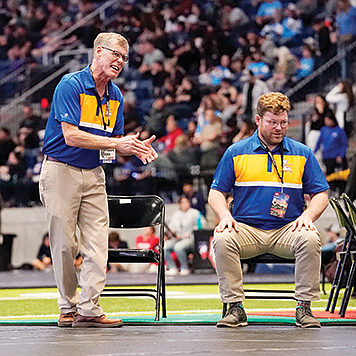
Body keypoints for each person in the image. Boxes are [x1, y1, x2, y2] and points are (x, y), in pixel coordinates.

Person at [39, 32, 158, 328]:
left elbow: (113, 141)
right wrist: (117, 144)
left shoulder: (115, 95)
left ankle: (89, 308)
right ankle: (67, 307)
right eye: (115, 54)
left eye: (124, 57)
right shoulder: (71, 84)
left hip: (94, 174)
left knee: (97, 244)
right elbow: (71, 135)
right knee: (65, 244)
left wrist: (132, 146)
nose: (120, 61)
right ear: (98, 52)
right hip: (61, 170)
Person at [208, 92, 329, 329]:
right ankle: (235, 308)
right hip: (246, 230)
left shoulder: (302, 152)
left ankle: (304, 308)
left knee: (310, 237)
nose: (279, 128)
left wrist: (308, 216)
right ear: (258, 120)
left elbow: (321, 194)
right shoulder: (236, 151)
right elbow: (215, 192)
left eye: (283, 122)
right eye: (272, 122)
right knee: (221, 239)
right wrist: (225, 217)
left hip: (288, 229)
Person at [164, 196, 206, 275]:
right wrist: (169, 234)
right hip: (177, 238)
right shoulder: (176, 214)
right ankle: (172, 267)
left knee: (178, 247)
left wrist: (189, 233)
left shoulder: (195, 213)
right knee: (165, 246)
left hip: (190, 238)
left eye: (186, 202)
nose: (184, 204)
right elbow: (172, 227)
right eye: (182, 203)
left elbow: (202, 226)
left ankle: (184, 268)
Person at [314, 111, 348, 195]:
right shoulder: (324, 130)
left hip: (336, 156)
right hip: (327, 156)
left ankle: (340, 191)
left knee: (338, 175)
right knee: (329, 175)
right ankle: (331, 190)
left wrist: (340, 155)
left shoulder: (339, 131)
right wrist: (313, 152)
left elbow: (344, 144)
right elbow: (319, 142)